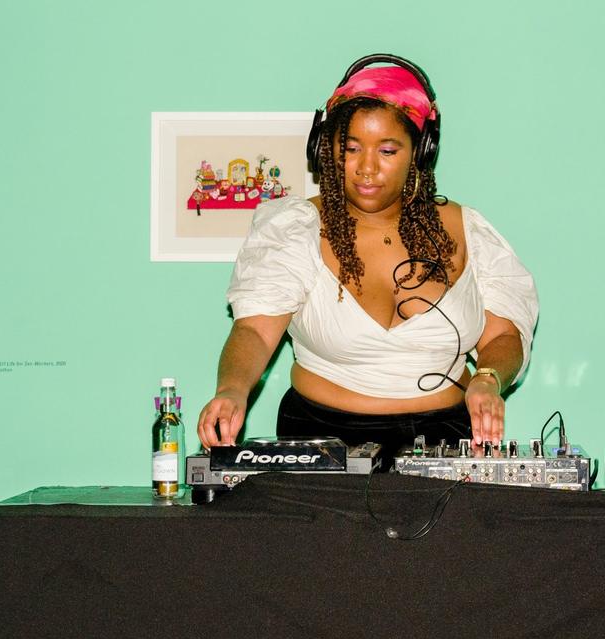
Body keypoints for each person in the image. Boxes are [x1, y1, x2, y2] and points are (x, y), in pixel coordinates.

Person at [196, 54, 537, 458]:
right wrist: (232, 390)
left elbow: (502, 335)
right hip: (321, 436)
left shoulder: (467, 231)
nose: (366, 168)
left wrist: (488, 378)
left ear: (420, 152)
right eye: (351, 148)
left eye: (387, 151)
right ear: (327, 149)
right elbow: (254, 331)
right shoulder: (296, 229)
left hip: (445, 437)